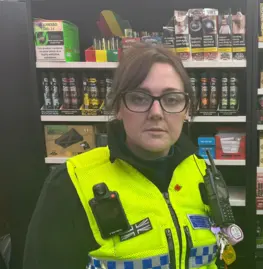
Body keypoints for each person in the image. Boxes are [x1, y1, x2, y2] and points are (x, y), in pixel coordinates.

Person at [24, 45, 220, 269]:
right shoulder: (71, 182)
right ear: (118, 107)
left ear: (186, 111)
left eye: (172, 99)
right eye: (139, 98)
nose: (156, 113)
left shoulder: (202, 172)